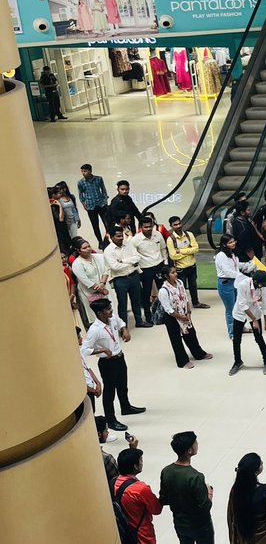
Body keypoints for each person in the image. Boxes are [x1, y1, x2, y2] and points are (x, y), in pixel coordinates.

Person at [82, 298, 143, 431]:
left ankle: (126, 407)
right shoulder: (94, 330)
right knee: (110, 392)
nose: (111, 310)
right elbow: (84, 350)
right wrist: (101, 350)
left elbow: (120, 321)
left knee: (122, 385)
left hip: (119, 357)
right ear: (100, 313)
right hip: (107, 363)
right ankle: (111, 420)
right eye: (108, 309)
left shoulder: (112, 318)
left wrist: (124, 329)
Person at [159, 431, 214, 544]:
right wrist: (209, 493)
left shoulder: (166, 471)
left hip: (180, 524)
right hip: (200, 526)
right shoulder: (196, 477)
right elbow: (205, 507)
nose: (197, 444)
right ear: (189, 450)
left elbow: (164, 499)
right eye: (195, 443)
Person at [159, 265, 212, 369]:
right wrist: (181, 317)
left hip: (184, 314)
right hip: (172, 317)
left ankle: (199, 354)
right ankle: (182, 361)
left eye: (175, 272)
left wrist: (188, 312)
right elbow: (168, 309)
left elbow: (185, 298)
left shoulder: (180, 283)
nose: (176, 274)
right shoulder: (163, 291)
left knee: (191, 333)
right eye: (172, 273)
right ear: (166, 276)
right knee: (176, 339)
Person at [113, 446, 163, 544]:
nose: (142, 463)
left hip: (122, 532)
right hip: (141, 534)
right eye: (141, 461)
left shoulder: (112, 483)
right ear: (135, 466)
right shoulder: (140, 489)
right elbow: (156, 509)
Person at [230, 270, 266, 376]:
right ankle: (238, 361)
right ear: (255, 281)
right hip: (240, 312)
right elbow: (242, 304)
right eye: (261, 284)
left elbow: (265, 303)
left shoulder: (264, 286)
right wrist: (254, 320)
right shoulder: (242, 285)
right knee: (237, 339)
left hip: (254, 309)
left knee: (259, 338)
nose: (263, 286)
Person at [228, 452, 266, 544]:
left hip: (245, 535)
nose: (262, 463)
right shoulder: (265, 491)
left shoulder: (236, 490)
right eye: (261, 463)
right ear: (256, 471)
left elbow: (232, 515)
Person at [104, 227, 145, 328]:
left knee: (136, 301)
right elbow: (115, 266)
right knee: (123, 304)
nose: (121, 238)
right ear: (111, 237)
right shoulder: (108, 251)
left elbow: (137, 257)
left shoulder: (128, 244)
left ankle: (139, 321)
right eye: (118, 236)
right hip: (120, 279)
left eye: (121, 236)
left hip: (134, 276)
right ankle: (124, 327)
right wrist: (131, 263)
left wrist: (123, 261)